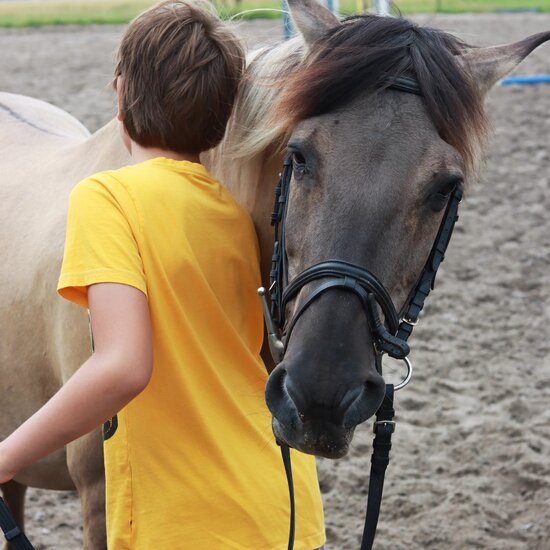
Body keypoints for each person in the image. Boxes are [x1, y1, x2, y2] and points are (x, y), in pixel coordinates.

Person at [0, 2, 325, 548]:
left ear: (120, 93)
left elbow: (123, 366)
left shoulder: (107, 198)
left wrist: (6, 455)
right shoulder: (236, 215)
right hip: (280, 508)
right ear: (225, 116)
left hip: (181, 521)